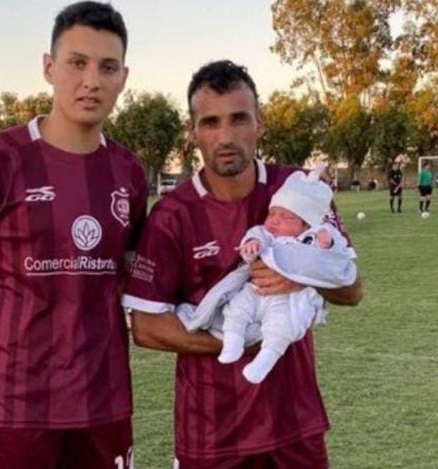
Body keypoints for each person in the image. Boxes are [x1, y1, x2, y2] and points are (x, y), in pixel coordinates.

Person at [0, 2, 147, 468]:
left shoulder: (129, 173)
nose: (91, 81)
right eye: (76, 63)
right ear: (49, 67)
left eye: (107, 67)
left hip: (103, 405)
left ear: (123, 76)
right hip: (11, 408)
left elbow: (134, 280)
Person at [123, 60, 362, 469]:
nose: (226, 136)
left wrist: (299, 271)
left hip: (294, 424)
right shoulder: (172, 215)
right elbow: (146, 328)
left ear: (260, 123)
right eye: (211, 122)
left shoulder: (300, 192)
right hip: (211, 434)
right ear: (193, 131)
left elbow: (352, 289)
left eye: (238, 119)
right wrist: (241, 339)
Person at [217, 170, 356, 384]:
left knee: (280, 327)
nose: (274, 221)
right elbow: (254, 238)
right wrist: (251, 246)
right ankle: (232, 343)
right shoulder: (267, 234)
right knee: (237, 309)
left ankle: (263, 362)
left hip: (288, 300)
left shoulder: (310, 238)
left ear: (306, 224)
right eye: (272, 213)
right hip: (256, 290)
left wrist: (326, 244)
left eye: (285, 217)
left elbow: (336, 265)